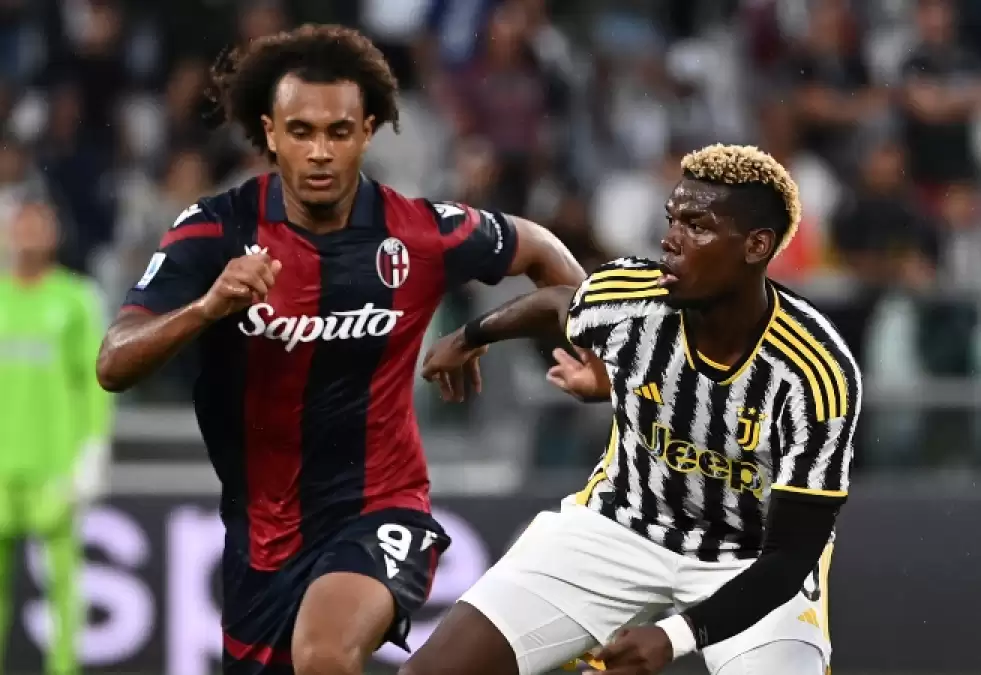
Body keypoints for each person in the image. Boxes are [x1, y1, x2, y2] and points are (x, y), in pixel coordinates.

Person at [95, 24, 584, 675]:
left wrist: (592, 350)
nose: (320, 152)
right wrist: (206, 309)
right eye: (301, 132)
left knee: (324, 654)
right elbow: (113, 363)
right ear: (270, 133)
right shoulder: (216, 230)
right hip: (260, 539)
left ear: (368, 131)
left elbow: (540, 249)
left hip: (381, 508)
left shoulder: (417, 233)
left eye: (339, 131)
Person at [408, 144, 862, 675]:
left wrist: (673, 636)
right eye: (672, 220)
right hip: (621, 524)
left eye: (697, 226)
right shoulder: (632, 294)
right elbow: (558, 303)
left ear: (756, 246)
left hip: (748, 559)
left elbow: (790, 557)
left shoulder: (815, 373)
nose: (670, 239)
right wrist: (471, 336)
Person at [0, 202, 112, 675]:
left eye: (38, 225)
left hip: (55, 465)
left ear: (54, 234)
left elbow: (95, 380)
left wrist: (94, 450)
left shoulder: (76, 299)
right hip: (2, 466)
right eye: (21, 225)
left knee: (64, 585)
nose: (29, 233)